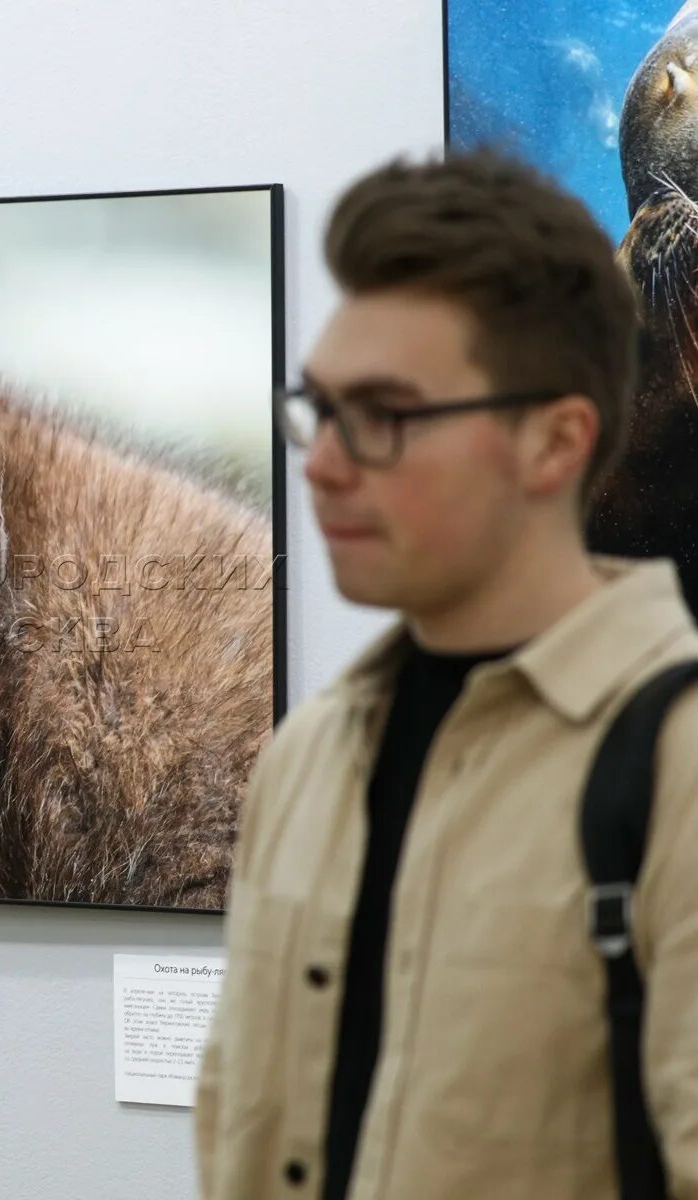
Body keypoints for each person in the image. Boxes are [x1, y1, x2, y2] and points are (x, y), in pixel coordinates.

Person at [194, 150, 698, 1198]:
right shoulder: (304, 762)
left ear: (555, 442)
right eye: (317, 410)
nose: (322, 463)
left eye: (385, 417)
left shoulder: (678, 765)